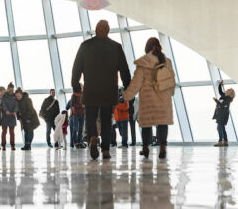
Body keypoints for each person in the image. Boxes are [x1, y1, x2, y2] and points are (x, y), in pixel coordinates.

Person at [71, 20, 132, 160]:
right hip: (108, 90)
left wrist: (75, 86)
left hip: (91, 88)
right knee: (106, 120)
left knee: (90, 117)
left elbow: (77, 67)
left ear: (96, 30)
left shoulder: (85, 46)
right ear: (108, 31)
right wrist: (127, 85)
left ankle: (93, 137)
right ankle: (105, 150)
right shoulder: (115, 47)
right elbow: (124, 69)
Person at [122, 37, 175, 159]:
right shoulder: (167, 61)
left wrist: (126, 95)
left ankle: (145, 148)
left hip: (148, 100)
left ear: (147, 48)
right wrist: (171, 92)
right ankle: (162, 148)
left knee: (146, 124)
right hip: (163, 98)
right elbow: (171, 80)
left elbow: (136, 84)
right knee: (163, 124)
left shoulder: (143, 63)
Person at [213, 81, 235, 147]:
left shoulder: (229, 98)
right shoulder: (224, 96)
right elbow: (220, 91)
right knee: (220, 128)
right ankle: (225, 141)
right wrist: (220, 85)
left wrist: (216, 100)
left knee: (220, 127)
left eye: (228, 90)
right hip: (220, 114)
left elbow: (222, 104)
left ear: (230, 92)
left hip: (223, 115)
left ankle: (221, 141)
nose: (226, 90)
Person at [0, 83, 19, 150]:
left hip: (12, 116)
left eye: (12, 90)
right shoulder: (4, 95)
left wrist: (15, 111)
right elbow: (3, 104)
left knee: (12, 132)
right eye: (10, 90)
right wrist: (6, 110)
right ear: (8, 89)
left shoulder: (15, 95)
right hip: (5, 115)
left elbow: (17, 104)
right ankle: (3, 145)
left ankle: (12, 145)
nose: (11, 91)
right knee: (4, 132)